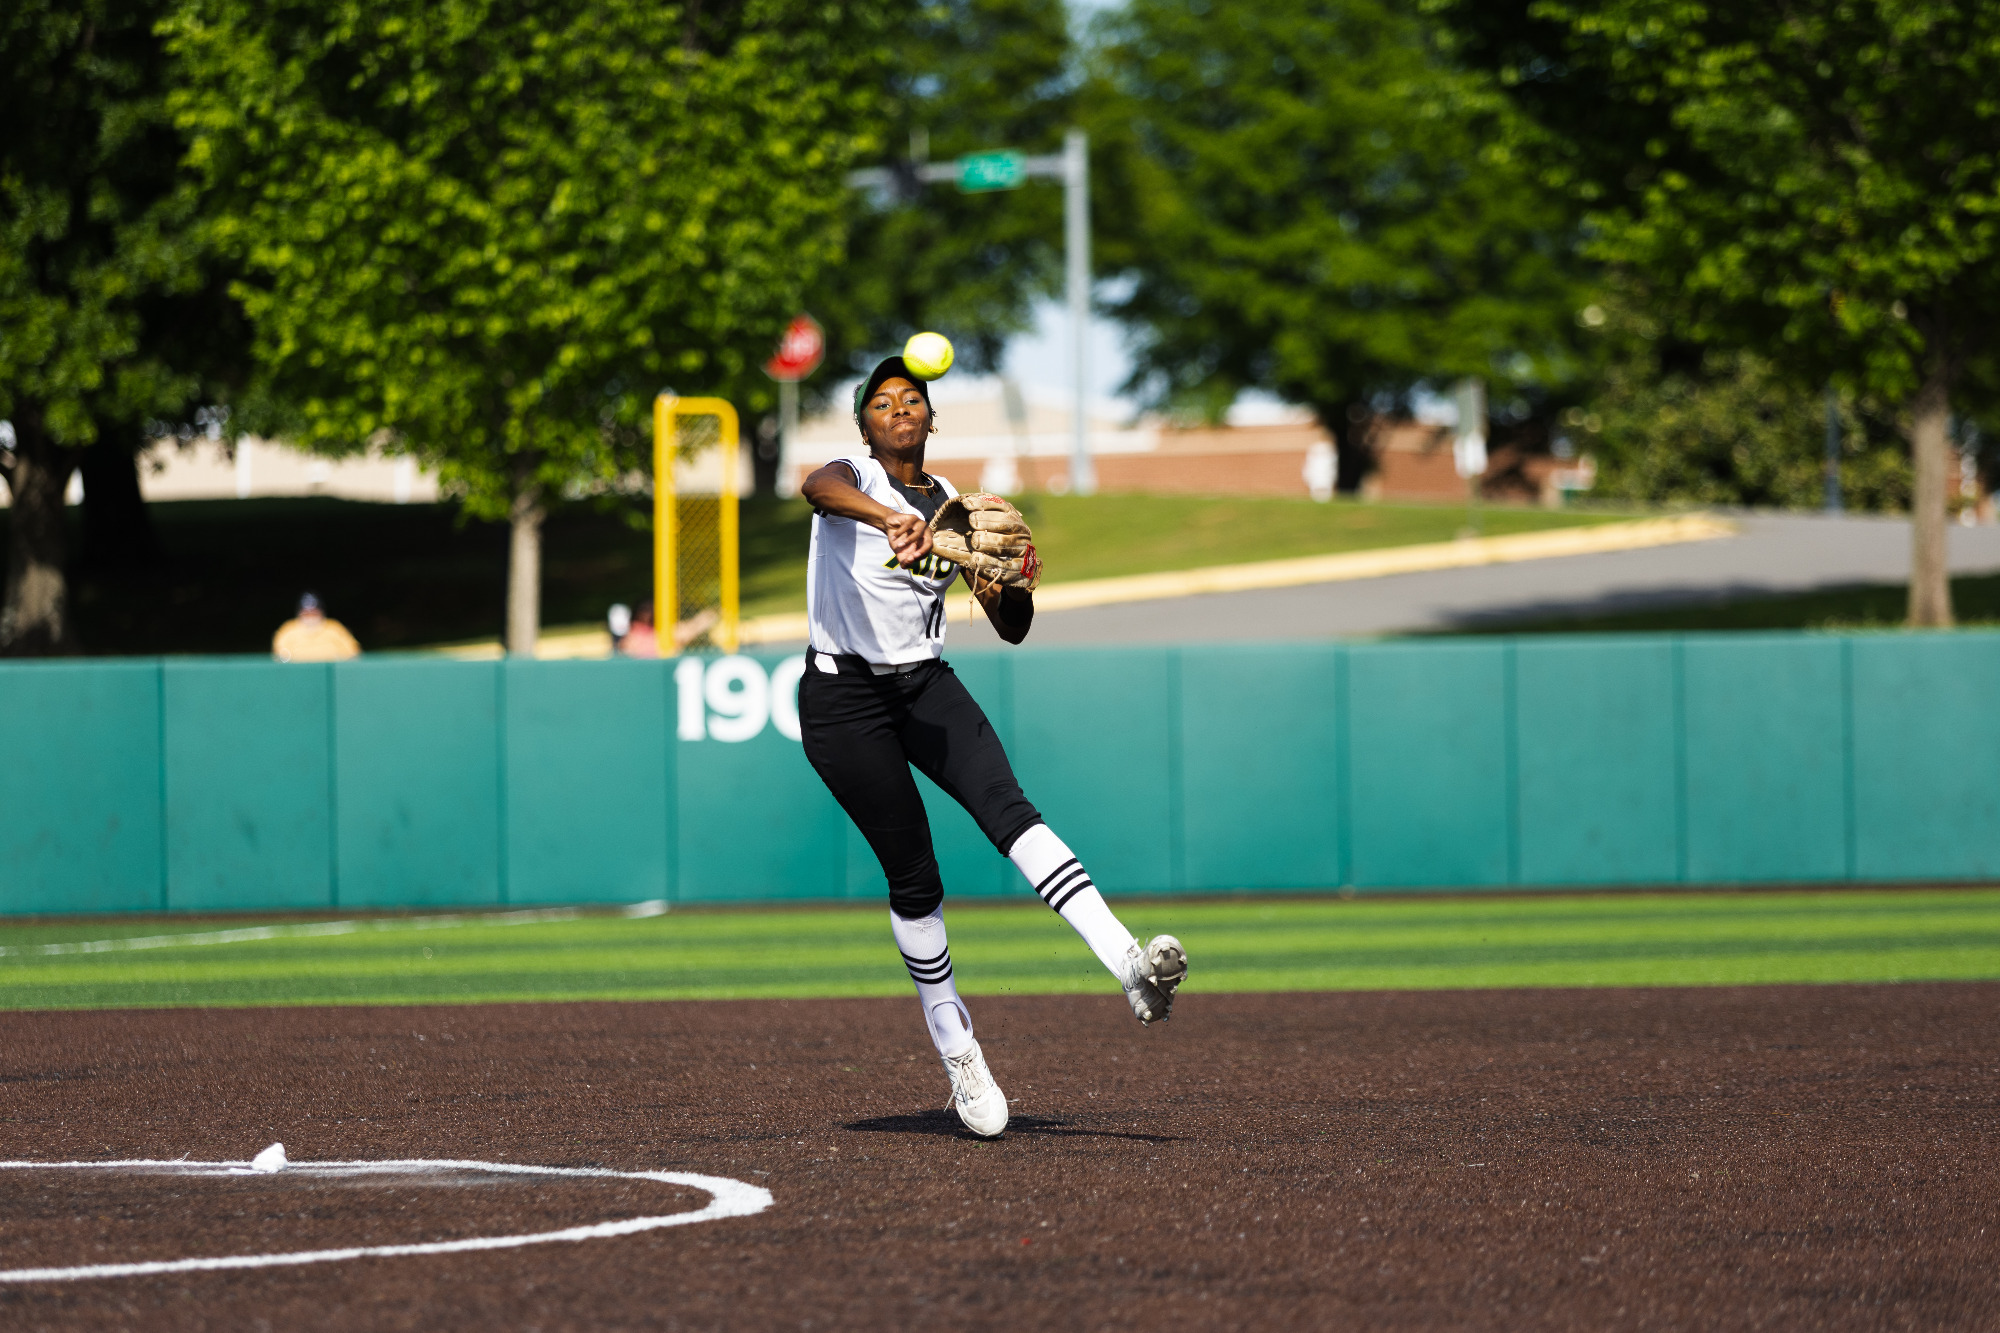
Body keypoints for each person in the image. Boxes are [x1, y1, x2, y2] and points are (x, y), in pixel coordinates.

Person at [796, 355, 1188, 1139]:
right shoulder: (854, 481)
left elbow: (1013, 628)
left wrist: (1006, 580)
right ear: (865, 426)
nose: (900, 407)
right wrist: (884, 519)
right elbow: (815, 485)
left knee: (1011, 810)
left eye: (912, 398)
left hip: (924, 686)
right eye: (882, 401)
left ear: (931, 418)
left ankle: (1129, 964)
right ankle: (958, 1048)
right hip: (843, 700)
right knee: (916, 873)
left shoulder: (955, 507)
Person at [271, 593, 360, 662]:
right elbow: (279, 655)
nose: (310, 617)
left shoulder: (334, 628)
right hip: (296, 673)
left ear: (321, 612)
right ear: (299, 613)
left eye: (314, 613)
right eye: (306, 613)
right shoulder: (288, 629)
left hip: (330, 673)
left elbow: (353, 653)